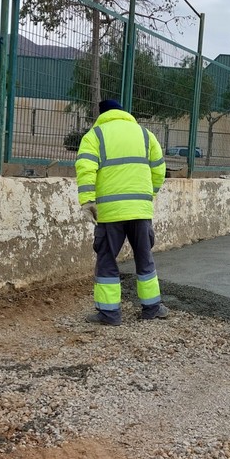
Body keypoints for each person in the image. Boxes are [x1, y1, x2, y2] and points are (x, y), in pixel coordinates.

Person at [75, 99, 168, 326]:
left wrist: (87, 201)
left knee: (107, 260)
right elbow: (159, 170)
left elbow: (86, 168)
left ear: (102, 114)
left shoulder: (95, 135)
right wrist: (148, 196)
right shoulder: (145, 135)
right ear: (123, 112)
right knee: (144, 258)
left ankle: (109, 314)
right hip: (140, 210)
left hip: (110, 213)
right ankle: (152, 308)